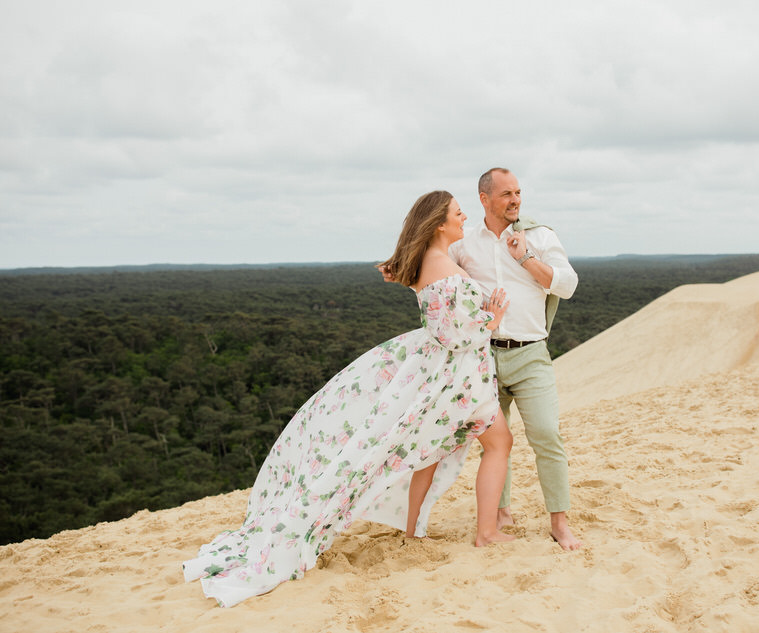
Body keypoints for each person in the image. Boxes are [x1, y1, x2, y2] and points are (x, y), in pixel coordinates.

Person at [183, 190, 515, 608]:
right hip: (456, 378)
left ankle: (414, 529)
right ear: (437, 224)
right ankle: (486, 532)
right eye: (456, 212)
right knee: (499, 443)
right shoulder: (444, 267)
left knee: (429, 450)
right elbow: (454, 334)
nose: (463, 215)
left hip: (438, 377)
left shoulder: (426, 263)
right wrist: (494, 318)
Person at [452, 167, 581, 550]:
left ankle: (559, 521)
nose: (516, 200)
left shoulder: (539, 236)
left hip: (530, 354)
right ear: (484, 199)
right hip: (483, 357)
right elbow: (438, 273)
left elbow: (568, 285)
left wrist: (525, 258)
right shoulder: (465, 243)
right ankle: (501, 513)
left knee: (546, 434)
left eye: (518, 193)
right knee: (495, 443)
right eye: (507, 194)